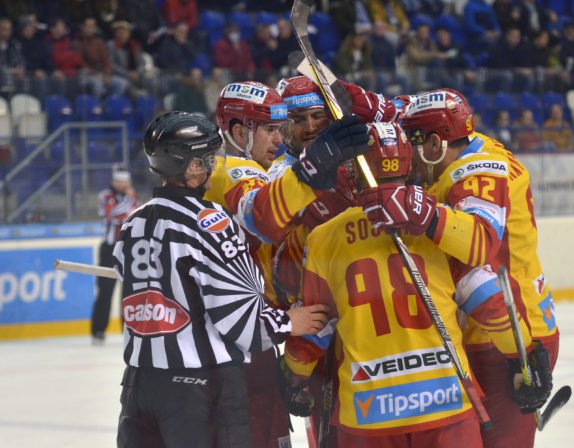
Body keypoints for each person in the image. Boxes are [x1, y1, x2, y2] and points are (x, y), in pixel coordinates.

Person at [282, 122, 540, 447]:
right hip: (445, 404)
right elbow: (488, 298)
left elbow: (313, 330)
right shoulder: (437, 222)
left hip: (367, 413)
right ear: (409, 163)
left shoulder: (324, 238)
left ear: (354, 168)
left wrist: (294, 374)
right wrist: (524, 356)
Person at [114, 111, 330, 447]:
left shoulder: (133, 223)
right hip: (199, 391)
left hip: (138, 386)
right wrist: (289, 322)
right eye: (208, 158)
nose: (214, 165)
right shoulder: (210, 221)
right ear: (194, 167)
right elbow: (240, 320)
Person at [360, 89, 557, 447]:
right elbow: (410, 109)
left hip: (511, 332)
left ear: (434, 143)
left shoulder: (477, 171)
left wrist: (420, 209)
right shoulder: (466, 145)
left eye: (411, 143)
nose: (407, 159)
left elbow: (478, 246)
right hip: (499, 325)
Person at [204, 82, 370, 447]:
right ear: (237, 132)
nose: (280, 138)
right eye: (272, 128)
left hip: (263, 339)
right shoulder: (236, 171)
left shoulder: (249, 170)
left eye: (315, 117)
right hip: (250, 346)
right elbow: (262, 218)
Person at [91, 164, 139, 345]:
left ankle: (127, 329)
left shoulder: (132, 198)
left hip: (129, 248)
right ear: (114, 181)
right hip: (109, 248)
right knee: (105, 291)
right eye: (120, 181)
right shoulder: (106, 196)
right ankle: (98, 331)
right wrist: (129, 200)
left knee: (129, 292)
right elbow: (114, 215)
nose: (123, 184)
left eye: (125, 181)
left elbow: (135, 215)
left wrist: (129, 204)